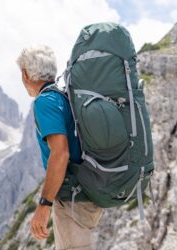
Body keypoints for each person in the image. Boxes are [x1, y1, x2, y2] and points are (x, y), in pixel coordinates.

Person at [16, 45, 104, 250]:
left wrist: (43, 205)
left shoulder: (45, 102)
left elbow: (60, 153)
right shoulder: (62, 97)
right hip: (85, 193)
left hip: (72, 198)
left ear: (26, 74)